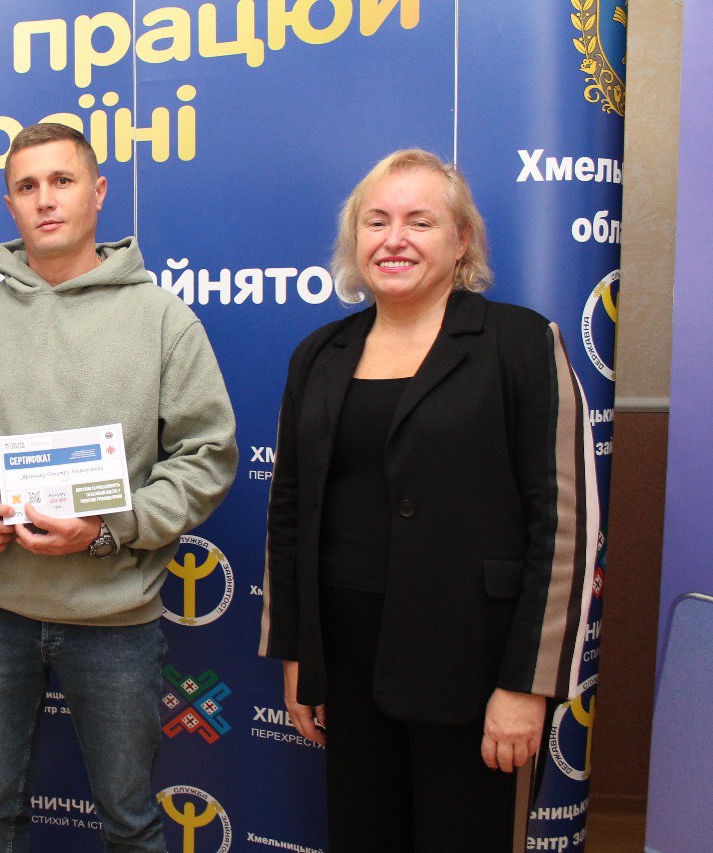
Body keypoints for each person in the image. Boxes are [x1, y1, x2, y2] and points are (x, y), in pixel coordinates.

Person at [0, 122, 237, 851]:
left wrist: (112, 527)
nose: (45, 199)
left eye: (62, 180)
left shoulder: (162, 320)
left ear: (99, 191)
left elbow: (206, 455)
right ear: (9, 204)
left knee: (130, 820)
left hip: (115, 615)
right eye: (27, 186)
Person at [259, 149, 598, 851]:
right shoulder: (318, 355)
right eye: (376, 221)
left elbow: (565, 525)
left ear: (461, 239)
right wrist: (299, 655)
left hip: (477, 672)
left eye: (420, 222)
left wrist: (526, 686)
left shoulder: (520, 343)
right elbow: (289, 512)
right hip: (348, 671)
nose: (395, 239)